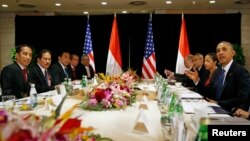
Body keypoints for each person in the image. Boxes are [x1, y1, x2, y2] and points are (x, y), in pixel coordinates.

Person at [195, 41, 250, 112]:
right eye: (218, 51)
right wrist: (197, 81)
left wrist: (218, 103)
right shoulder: (218, 71)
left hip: (231, 112)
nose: (220, 53)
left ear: (233, 53)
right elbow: (211, 92)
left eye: (224, 49)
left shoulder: (241, 71)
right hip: (215, 109)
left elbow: (242, 99)